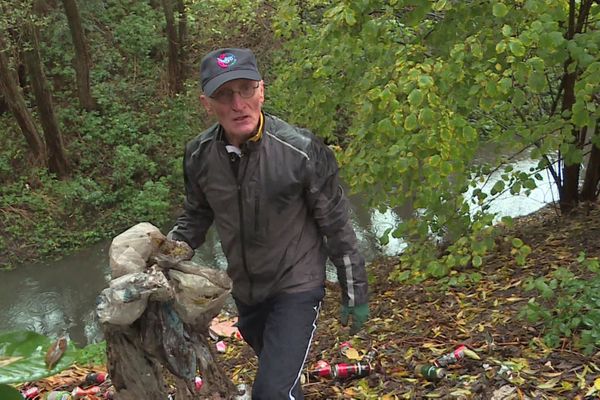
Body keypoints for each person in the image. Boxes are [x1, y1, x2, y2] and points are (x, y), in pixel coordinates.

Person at [168, 47, 369, 400]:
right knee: (283, 384)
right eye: (224, 94)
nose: (237, 104)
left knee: (271, 393)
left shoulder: (301, 150)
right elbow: (195, 217)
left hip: (297, 287)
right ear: (206, 103)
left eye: (245, 89)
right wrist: (164, 255)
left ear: (262, 90)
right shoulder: (199, 155)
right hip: (246, 293)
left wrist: (354, 289)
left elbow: (336, 224)